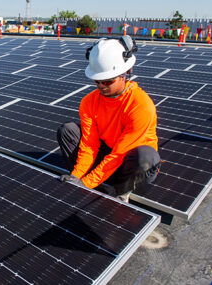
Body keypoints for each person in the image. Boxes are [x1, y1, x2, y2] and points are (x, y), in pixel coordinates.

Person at [56, 36, 161, 202]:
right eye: (97, 81)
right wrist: (77, 177)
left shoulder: (140, 105)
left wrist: (86, 183)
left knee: (146, 157)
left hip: (131, 165)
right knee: (68, 131)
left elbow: (120, 154)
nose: (101, 86)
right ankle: (95, 182)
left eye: (107, 81)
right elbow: (89, 145)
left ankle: (121, 193)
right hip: (109, 154)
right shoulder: (89, 102)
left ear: (125, 73)